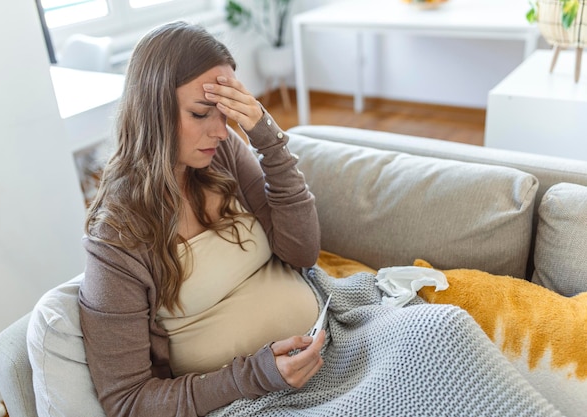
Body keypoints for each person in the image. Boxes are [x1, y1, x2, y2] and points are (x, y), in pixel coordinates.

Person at [80, 21, 561, 417]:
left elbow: (300, 251)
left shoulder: (221, 154)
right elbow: (126, 401)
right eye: (203, 111)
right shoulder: (117, 240)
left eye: (226, 111)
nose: (220, 129)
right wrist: (257, 375)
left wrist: (266, 137)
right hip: (256, 396)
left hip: (333, 337)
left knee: (443, 329)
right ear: (152, 112)